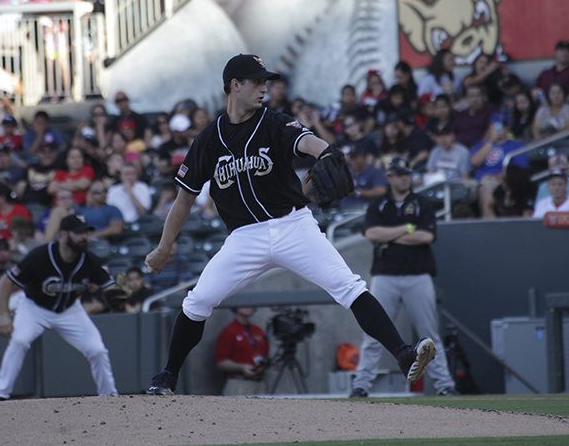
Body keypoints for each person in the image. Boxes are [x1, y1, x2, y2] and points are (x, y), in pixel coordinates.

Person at [143, 54, 436, 396]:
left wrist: (325, 152)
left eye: (266, 81)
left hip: (293, 226)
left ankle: (403, 353)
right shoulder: (208, 140)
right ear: (234, 85)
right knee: (197, 301)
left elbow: (307, 142)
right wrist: (165, 247)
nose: (264, 88)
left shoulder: (274, 122)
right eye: (257, 81)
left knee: (348, 286)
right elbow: (184, 199)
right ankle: (168, 376)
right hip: (243, 238)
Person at [350, 157, 457, 397]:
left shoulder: (421, 203)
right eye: (398, 174)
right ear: (389, 177)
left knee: (429, 332)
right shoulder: (379, 204)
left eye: (406, 173)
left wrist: (389, 236)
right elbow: (371, 234)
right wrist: (407, 229)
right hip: (385, 276)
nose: (403, 177)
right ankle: (361, 385)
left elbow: (426, 237)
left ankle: (445, 386)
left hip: (418, 275)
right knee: (373, 333)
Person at [0, 214, 119, 403]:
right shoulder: (40, 256)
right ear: (63, 234)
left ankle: (110, 396)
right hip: (34, 308)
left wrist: (117, 292)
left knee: (97, 350)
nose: (84, 237)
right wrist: (4, 315)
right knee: (19, 341)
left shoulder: (90, 260)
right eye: (79, 233)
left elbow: (110, 287)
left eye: (86, 233)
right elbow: (7, 280)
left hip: (70, 310)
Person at [470, 112, 529, 215]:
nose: (500, 128)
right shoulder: (480, 145)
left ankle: (488, 224)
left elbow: (520, 170)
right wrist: (492, 141)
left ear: (508, 128)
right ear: (490, 126)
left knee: (484, 186)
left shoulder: (515, 145)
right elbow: (475, 162)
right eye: (496, 125)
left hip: (502, 181)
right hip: (478, 181)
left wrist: (494, 176)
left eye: (503, 125)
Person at [215, 307, 270, 396]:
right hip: (239, 382)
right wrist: (241, 367)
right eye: (244, 304)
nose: (249, 307)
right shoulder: (230, 331)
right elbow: (221, 361)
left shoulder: (258, 331)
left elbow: (265, 355)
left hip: (259, 383)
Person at [532, 40, 569, 104]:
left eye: (568, 51)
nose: (564, 53)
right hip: (545, 107)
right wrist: (542, 99)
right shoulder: (545, 73)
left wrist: (558, 101)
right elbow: (535, 92)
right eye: (561, 50)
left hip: (566, 106)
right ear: (555, 53)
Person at [341, 146, 389, 210]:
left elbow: (381, 191)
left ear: (363, 157)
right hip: (344, 211)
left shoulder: (373, 172)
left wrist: (357, 192)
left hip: (363, 211)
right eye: (350, 158)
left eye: (355, 158)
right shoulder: (348, 172)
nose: (351, 161)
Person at [16, 141, 60, 207]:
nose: (47, 155)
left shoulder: (60, 168)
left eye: (51, 152)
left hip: (47, 206)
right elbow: (21, 185)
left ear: (55, 154)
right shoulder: (31, 168)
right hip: (27, 203)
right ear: (38, 154)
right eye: (44, 152)